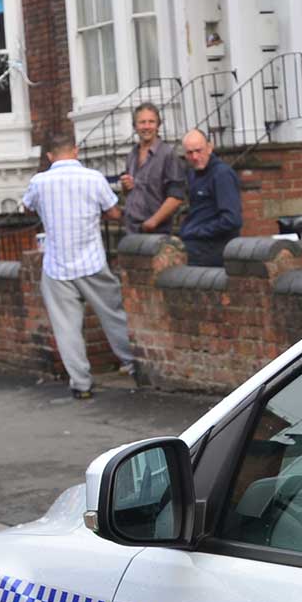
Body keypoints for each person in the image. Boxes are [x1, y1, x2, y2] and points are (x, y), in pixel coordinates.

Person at [21, 130, 141, 400]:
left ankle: (82, 384)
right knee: (113, 315)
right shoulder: (93, 178)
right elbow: (112, 211)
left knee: (67, 328)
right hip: (92, 261)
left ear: (50, 156)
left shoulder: (39, 182)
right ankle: (134, 366)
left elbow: (27, 207)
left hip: (57, 266)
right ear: (75, 151)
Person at [177, 129, 242, 267]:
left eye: (198, 150)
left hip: (214, 253)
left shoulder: (221, 175)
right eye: (189, 152)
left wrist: (198, 231)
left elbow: (232, 220)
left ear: (209, 148)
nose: (195, 157)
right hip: (197, 249)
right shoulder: (194, 173)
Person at [119, 103, 184, 235]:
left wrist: (152, 222)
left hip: (157, 232)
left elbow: (176, 196)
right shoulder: (132, 154)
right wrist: (126, 187)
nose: (147, 126)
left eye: (151, 122)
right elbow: (131, 193)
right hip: (132, 230)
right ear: (135, 126)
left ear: (158, 125)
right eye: (142, 122)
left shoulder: (167, 154)